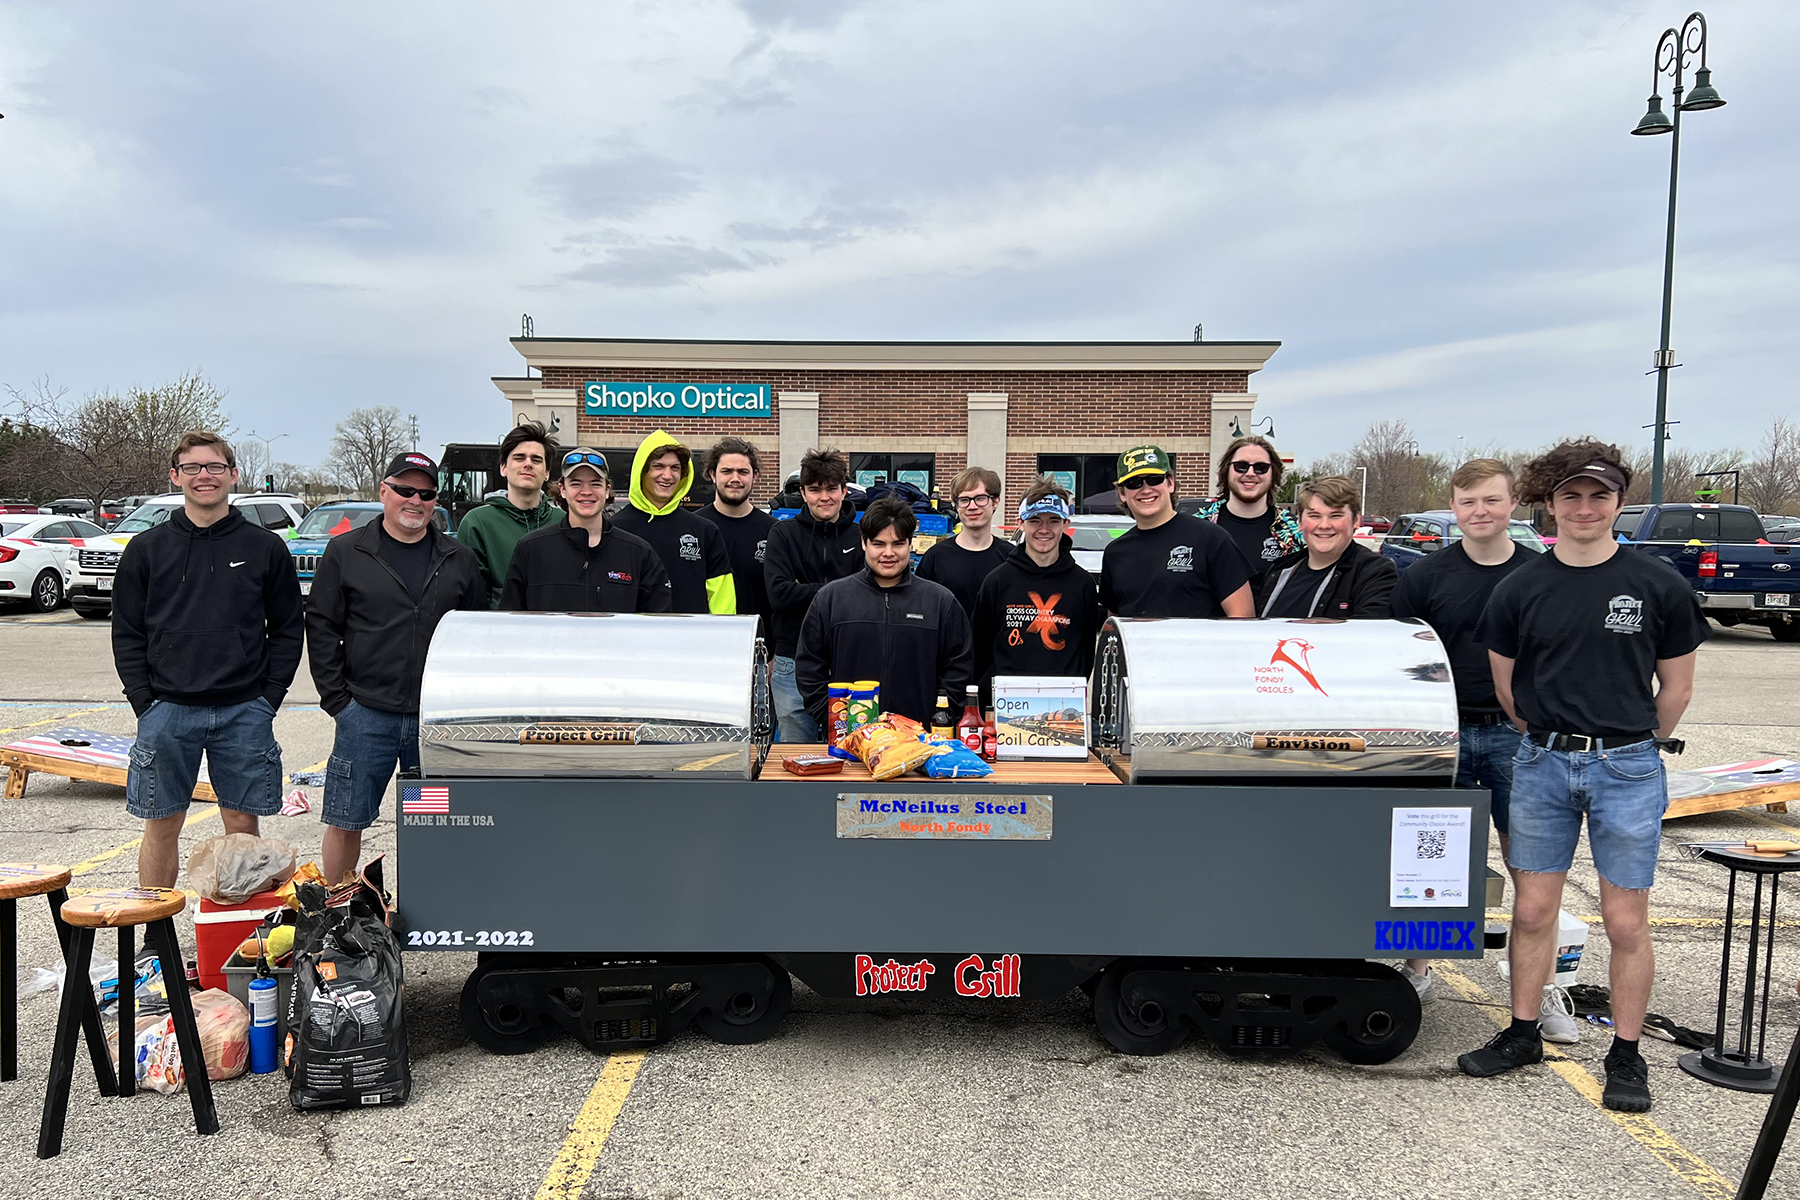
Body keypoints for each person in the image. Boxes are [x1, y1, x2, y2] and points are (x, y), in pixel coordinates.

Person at [1456, 439, 1708, 1115]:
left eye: (1599, 495)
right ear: (1550, 504)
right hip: (1541, 761)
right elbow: (1507, 688)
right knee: (1533, 909)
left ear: (1619, 501)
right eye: (1571, 495)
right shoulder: (1522, 588)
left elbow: (1676, 690)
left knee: (1626, 920)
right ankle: (1520, 1033)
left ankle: (1625, 1053)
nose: (1585, 507)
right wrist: (1553, 736)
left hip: (1628, 766)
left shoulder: (1659, 587)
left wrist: (1629, 741)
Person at [112, 432, 303, 889]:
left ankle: (240, 939)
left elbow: (288, 629)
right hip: (167, 710)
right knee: (162, 825)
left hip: (243, 711)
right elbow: (127, 633)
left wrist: (267, 699)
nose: (205, 476)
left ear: (233, 475)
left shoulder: (265, 548)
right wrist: (145, 701)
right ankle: (155, 939)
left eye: (215, 467)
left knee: (241, 826)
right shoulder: (146, 549)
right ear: (175, 476)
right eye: (193, 467)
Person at [1388, 459, 1536, 1012]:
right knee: (1428, 860)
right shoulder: (1425, 578)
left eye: (1492, 501)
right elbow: (1400, 659)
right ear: (1453, 506)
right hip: (1443, 737)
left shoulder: (1538, 575)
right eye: (1469, 501)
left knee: (1531, 866)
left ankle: (1536, 989)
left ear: (1512, 503)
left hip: (1514, 739)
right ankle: (1418, 970)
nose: (1480, 512)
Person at [306, 451, 486, 883]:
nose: (415, 500)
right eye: (405, 490)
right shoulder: (348, 552)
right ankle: (340, 914)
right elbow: (323, 625)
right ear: (384, 491)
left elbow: (475, 637)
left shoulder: (458, 559)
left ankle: (435, 912)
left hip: (433, 722)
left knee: (434, 822)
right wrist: (338, 701)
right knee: (347, 818)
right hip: (366, 715)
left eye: (425, 493)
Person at [797, 497, 974, 728]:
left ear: (911, 544)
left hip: (919, 743)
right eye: (879, 544)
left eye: (898, 544)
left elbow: (959, 669)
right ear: (864, 543)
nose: (888, 553)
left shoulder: (940, 602)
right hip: (852, 741)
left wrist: (939, 718)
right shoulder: (832, 599)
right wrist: (832, 717)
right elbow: (810, 667)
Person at [764, 447, 863, 741]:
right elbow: (779, 595)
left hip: (848, 658)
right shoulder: (783, 534)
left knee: (849, 750)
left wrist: (803, 589)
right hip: (791, 660)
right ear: (804, 493)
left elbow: (867, 597)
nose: (824, 497)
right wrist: (843, 589)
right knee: (798, 752)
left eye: (832, 488)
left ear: (844, 491)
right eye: (815, 489)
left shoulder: (862, 536)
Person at [501, 449, 672, 612]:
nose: (586, 492)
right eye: (576, 483)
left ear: (607, 490)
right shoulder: (531, 549)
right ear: (562, 489)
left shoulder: (639, 554)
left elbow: (657, 626)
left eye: (595, 483)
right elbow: (510, 624)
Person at [974, 478, 1104, 688]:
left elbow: (1086, 652)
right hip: (1005, 701)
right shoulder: (997, 581)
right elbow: (980, 650)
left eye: (1053, 520)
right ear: (1021, 523)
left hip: (1064, 701)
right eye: (1035, 520)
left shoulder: (1083, 584)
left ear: (1066, 525)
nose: (1044, 529)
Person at [1098, 444, 1254, 618]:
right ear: (1122, 493)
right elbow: (1115, 625)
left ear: (1170, 483)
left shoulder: (1211, 539)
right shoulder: (1115, 553)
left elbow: (1243, 619)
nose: (1146, 489)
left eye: (1154, 479)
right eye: (1134, 483)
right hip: (1138, 645)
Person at [611, 430, 736, 615]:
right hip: (631, 639)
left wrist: (722, 637)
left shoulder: (704, 531)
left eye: (675, 468)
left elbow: (722, 601)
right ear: (642, 471)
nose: (667, 476)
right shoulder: (614, 529)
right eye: (658, 466)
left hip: (691, 640)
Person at [1255, 475, 1396, 618]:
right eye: (1314, 515)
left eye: (1335, 515)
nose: (1324, 525)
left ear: (1356, 520)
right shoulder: (1279, 570)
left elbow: (1371, 632)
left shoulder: (1375, 573)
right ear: (1300, 522)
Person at [457, 422, 565, 607]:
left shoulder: (564, 522)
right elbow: (473, 598)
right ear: (503, 468)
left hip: (555, 631)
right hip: (498, 633)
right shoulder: (477, 523)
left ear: (547, 473)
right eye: (519, 458)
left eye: (536, 459)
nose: (528, 464)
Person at [1191, 435, 1303, 582]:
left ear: (1273, 474)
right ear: (1227, 470)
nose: (1250, 473)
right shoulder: (1197, 526)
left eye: (1260, 468)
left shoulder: (1294, 531)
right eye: (1241, 466)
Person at [695, 437, 777, 637]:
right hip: (705, 642)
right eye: (726, 471)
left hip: (760, 650)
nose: (735, 479)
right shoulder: (694, 528)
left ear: (754, 476)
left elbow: (779, 598)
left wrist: (776, 650)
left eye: (743, 472)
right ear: (713, 475)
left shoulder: (775, 531)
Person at [917, 466, 1013, 617]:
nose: (972, 506)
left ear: (995, 502)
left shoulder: (1011, 557)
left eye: (980, 498)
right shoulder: (935, 558)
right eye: (964, 500)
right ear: (956, 505)